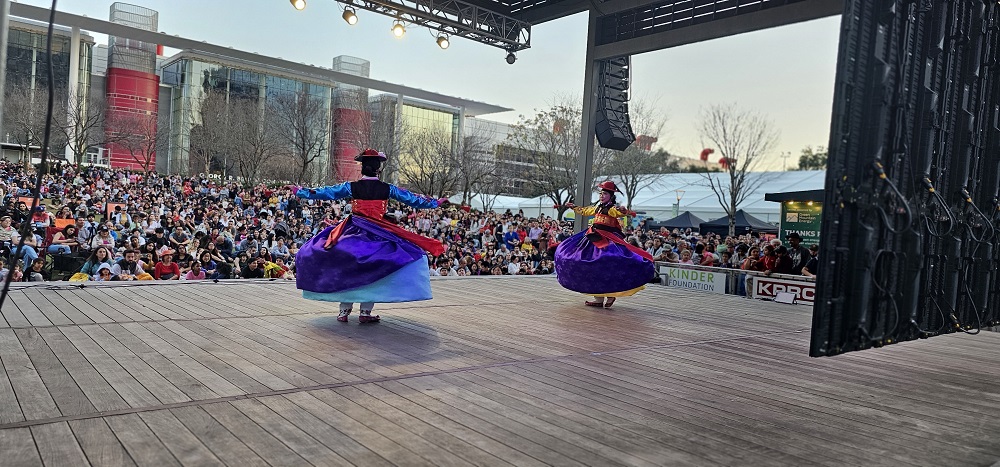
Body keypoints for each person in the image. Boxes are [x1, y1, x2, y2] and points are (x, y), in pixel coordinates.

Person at [294, 148, 447, 324]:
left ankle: (344, 311)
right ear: (378, 169)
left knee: (345, 264)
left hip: (352, 230)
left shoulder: (351, 187)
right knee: (376, 268)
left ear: (362, 169)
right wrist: (436, 202)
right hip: (378, 232)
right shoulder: (388, 189)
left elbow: (325, 192)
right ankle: (365, 312)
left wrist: (300, 191)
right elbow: (414, 199)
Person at [555, 181, 655, 308]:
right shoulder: (597, 207)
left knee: (606, 264)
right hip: (592, 237)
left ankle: (611, 294)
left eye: (605, 194)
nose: (601, 196)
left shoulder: (612, 208)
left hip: (607, 240)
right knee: (590, 265)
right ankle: (598, 298)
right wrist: (574, 207)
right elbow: (585, 211)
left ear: (611, 196)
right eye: (600, 193)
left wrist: (623, 211)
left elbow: (618, 212)